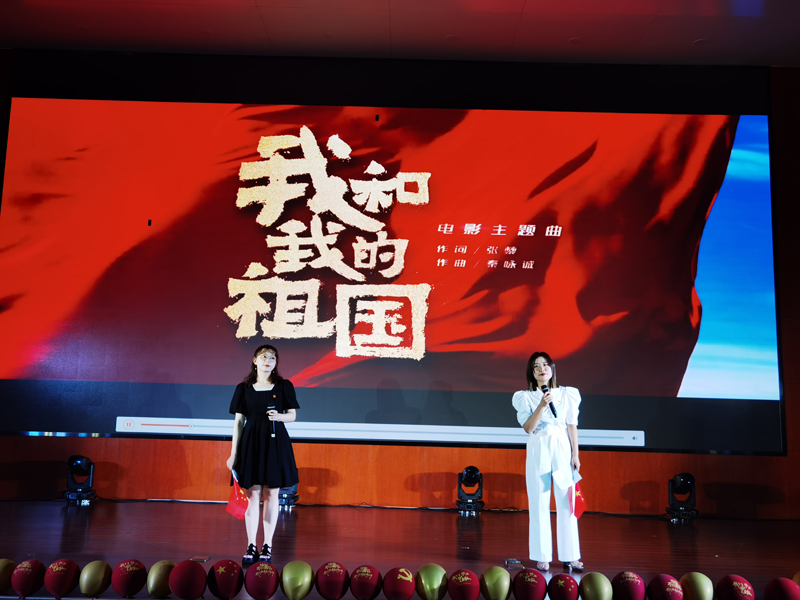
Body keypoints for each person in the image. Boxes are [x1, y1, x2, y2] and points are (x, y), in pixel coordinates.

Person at [227, 344, 299, 564]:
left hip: (275, 443)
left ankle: (267, 545)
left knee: (272, 494)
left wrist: (279, 416)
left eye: (273, 358)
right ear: (255, 360)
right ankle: (251, 545)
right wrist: (233, 454)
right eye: (264, 357)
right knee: (253, 494)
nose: (268, 361)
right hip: (251, 443)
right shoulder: (244, 389)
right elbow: (238, 422)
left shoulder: (284, 386)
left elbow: (292, 415)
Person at [512, 351, 583, 572]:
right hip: (539, 447)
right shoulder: (525, 397)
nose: (541, 369)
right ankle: (542, 555)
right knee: (539, 501)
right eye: (536, 366)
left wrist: (575, 455)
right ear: (532, 373)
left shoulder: (568, 393)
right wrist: (542, 405)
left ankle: (570, 556)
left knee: (566, 502)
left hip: (562, 447)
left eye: (545, 365)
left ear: (551, 369)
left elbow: (572, 425)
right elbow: (529, 428)